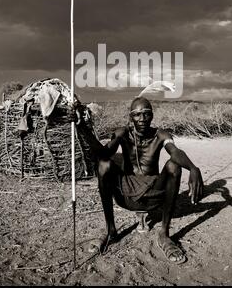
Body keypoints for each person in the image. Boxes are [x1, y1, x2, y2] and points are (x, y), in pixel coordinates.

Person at [73, 96, 204, 263]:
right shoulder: (122, 134)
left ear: (152, 116)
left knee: (174, 166)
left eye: (146, 114)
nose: (142, 119)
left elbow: (175, 152)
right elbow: (104, 154)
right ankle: (110, 230)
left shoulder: (160, 135)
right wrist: (82, 128)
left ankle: (164, 234)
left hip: (154, 194)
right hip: (125, 193)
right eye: (137, 114)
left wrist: (193, 168)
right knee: (104, 165)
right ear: (130, 117)